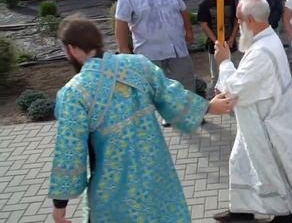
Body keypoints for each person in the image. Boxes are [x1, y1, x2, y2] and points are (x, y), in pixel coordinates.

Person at [48, 16, 233, 223]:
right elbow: (171, 96)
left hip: (113, 189)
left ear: (71, 49)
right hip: (156, 176)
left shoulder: (74, 93)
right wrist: (207, 107)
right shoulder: (137, 65)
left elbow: (69, 151)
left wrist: (60, 204)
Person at [212, 0, 292, 223]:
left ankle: (284, 217)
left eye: (239, 19)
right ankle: (240, 210)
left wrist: (225, 62)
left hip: (268, 128)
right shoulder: (265, 40)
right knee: (240, 162)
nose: (237, 24)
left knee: (271, 174)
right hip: (255, 122)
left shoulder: (262, 52)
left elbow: (234, 91)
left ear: (249, 19)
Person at [115, 0, 196, 127]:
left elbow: (182, 9)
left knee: (185, 80)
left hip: (177, 46)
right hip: (150, 51)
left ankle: (191, 114)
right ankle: (168, 115)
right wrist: (123, 49)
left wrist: (188, 30)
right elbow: (121, 22)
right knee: (158, 86)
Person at [197, 0, 239, 82]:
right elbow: (204, 25)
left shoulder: (230, 0)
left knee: (235, 74)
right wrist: (216, 41)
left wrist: (232, 38)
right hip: (214, 47)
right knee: (217, 77)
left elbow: (236, 20)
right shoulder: (205, 4)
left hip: (231, 45)